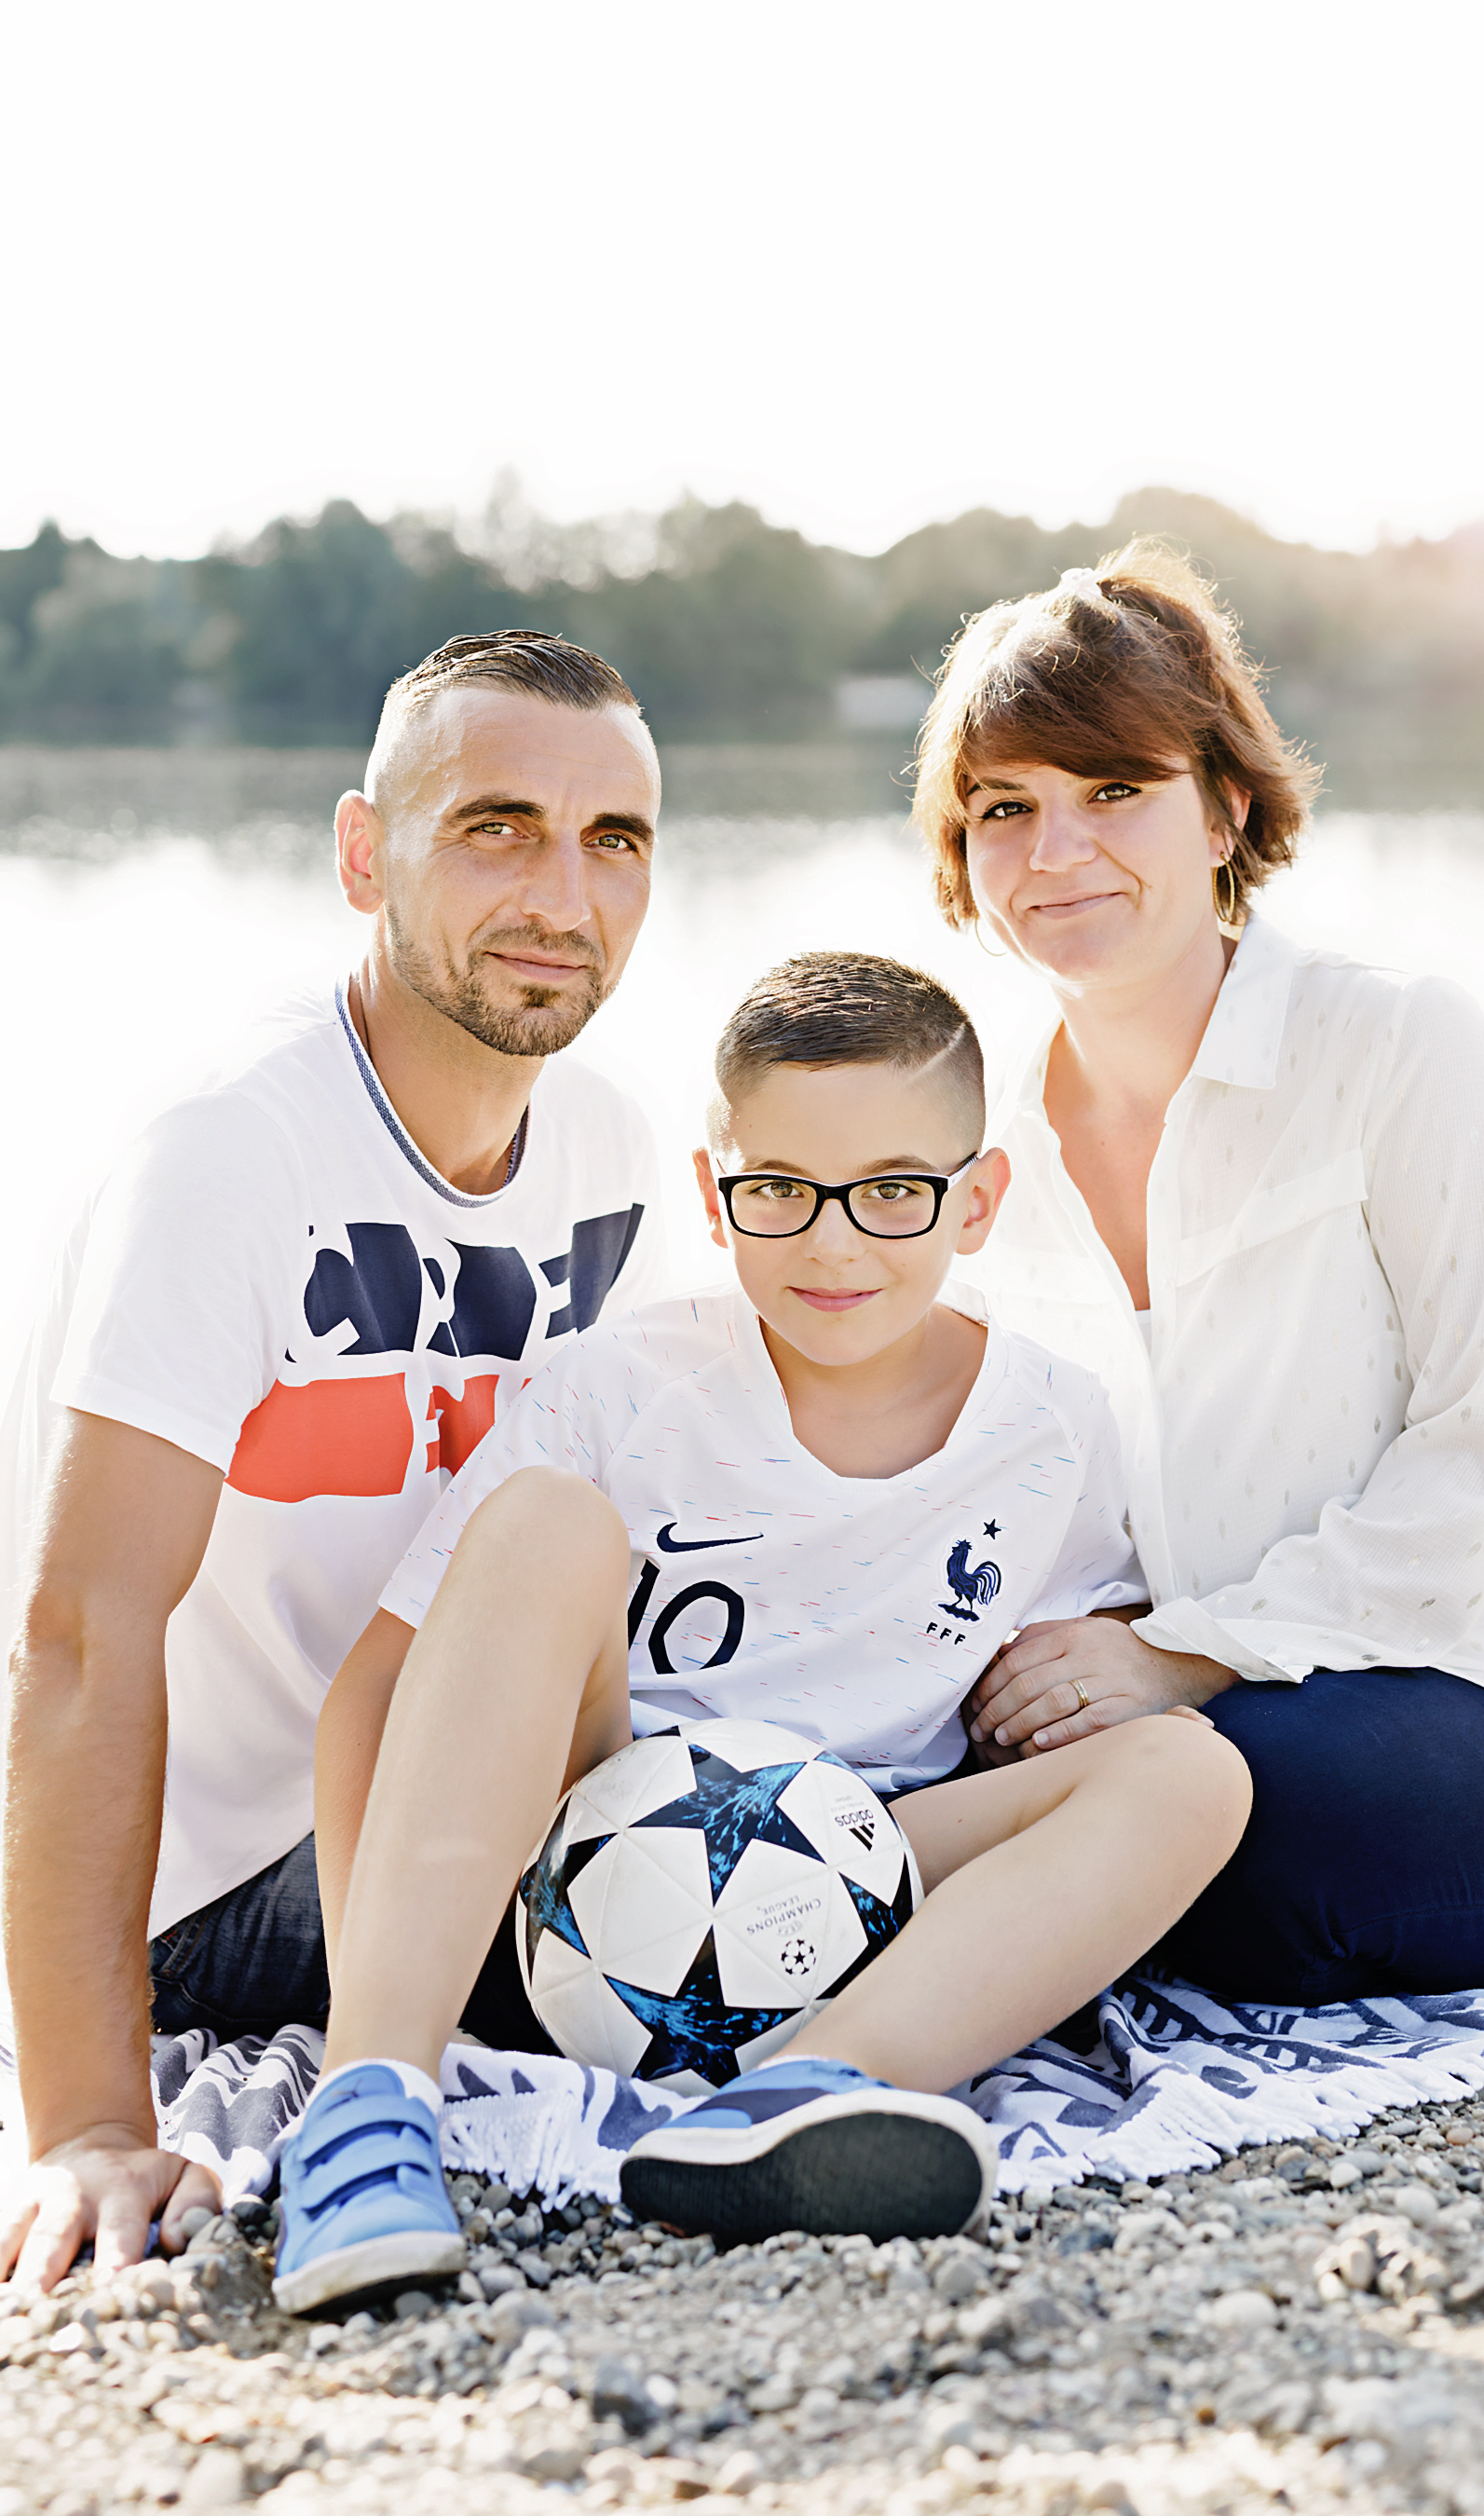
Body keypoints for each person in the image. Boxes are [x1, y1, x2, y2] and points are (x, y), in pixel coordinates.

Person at [274, 952, 1249, 2315]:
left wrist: (1136, 1655)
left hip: (856, 1874)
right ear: (712, 1194)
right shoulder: (618, 1386)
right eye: (780, 1190)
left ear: (979, 1201)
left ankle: (802, 2098)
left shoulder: (1054, 1426)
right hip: (582, 1866)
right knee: (546, 1521)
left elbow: (1085, 1640)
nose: (833, 1245)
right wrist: (358, 2019)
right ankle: (371, 2116)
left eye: (894, 1191)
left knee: (1194, 1770)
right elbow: (378, 1698)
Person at [911, 546, 1484, 2000]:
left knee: (1244, 1839)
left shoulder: (1399, 1048)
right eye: (1005, 808)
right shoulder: (978, 1150)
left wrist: (1185, 1655)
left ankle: (887, 1906)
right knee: (995, 1771)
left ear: (1226, 809)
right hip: (1183, 1707)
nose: (1056, 851)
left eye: (1114, 790)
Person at [0, 630, 666, 2295]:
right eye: (497, 828)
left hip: (458, 1781)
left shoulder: (612, 1147)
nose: (563, 897)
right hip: (226, 1884)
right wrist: (88, 2118)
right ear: (365, 855)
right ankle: (389, 2109)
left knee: (859, 1840)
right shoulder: (234, 1151)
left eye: (613, 841)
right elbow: (81, 1631)